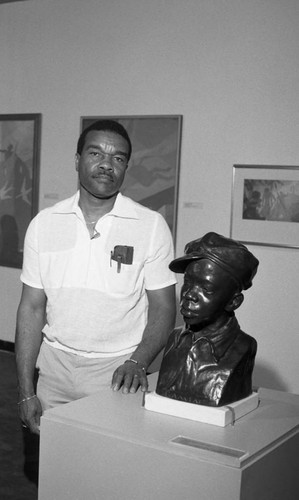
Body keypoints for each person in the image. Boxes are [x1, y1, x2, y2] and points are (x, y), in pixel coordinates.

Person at [15, 119, 177, 435]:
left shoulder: (150, 225)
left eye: (118, 158)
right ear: (78, 160)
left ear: (126, 167)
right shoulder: (45, 224)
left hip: (119, 372)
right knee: (55, 471)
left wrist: (138, 362)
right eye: (96, 153)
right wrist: (25, 390)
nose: (106, 164)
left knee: (110, 471)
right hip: (54, 371)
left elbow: (163, 308)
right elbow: (31, 309)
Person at [156, 232, 259, 407]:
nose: (189, 295)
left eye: (206, 288)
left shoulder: (243, 347)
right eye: (187, 282)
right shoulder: (174, 339)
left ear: (233, 302)